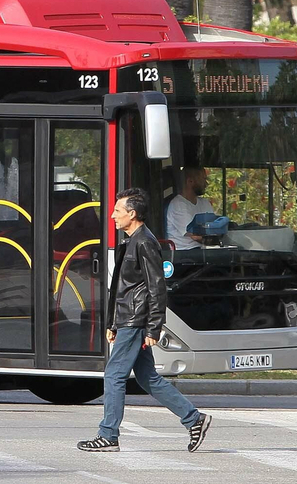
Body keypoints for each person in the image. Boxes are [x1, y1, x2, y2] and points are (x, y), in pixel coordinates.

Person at [79, 187, 212, 454]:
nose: (113, 215)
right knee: (147, 377)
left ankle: (108, 435)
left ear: (132, 214)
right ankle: (193, 418)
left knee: (114, 375)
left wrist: (153, 326)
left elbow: (156, 287)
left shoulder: (145, 242)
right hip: (128, 318)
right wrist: (111, 323)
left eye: (118, 211)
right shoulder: (131, 240)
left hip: (136, 320)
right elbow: (123, 287)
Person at [165, 166, 217, 251]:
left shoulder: (205, 203)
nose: (206, 184)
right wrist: (217, 241)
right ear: (190, 181)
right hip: (185, 254)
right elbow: (195, 236)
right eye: (203, 180)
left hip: (203, 251)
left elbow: (213, 228)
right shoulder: (178, 205)